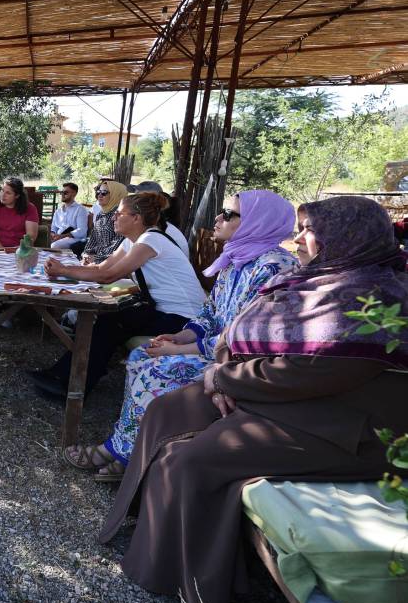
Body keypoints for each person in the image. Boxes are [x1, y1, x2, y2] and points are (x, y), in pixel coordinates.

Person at [97, 196, 408, 603]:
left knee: (190, 461)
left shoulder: (376, 299)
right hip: (289, 396)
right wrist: (223, 366)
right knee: (167, 410)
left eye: (308, 229)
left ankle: (181, 579)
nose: (297, 238)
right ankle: (144, 517)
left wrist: (225, 379)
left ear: (344, 237)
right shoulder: (321, 279)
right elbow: (245, 330)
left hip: (340, 425)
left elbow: (314, 372)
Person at [63, 190, 298, 480]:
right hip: (212, 347)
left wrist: (180, 351)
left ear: (258, 222)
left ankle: (122, 452)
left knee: (158, 369)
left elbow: (249, 337)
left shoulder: (275, 268)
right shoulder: (239, 258)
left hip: (239, 363)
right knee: (141, 354)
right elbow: (211, 311)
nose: (218, 218)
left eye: (229, 214)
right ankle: (130, 447)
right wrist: (182, 337)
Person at [32, 192, 207, 400]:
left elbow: (108, 276)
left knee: (111, 324)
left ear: (136, 218)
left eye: (119, 213)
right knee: (109, 322)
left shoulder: (151, 239)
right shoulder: (132, 241)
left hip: (185, 319)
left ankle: (71, 384)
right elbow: (101, 267)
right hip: (163, 310)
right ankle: (67, 377)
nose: (114, 217)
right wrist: (64, 268)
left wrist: (63, 271)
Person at [80, 180, 128, 263]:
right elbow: (93, 239)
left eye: (104, 193)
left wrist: (96, 258)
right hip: (95, 259)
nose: (99, 195)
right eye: (98, 192)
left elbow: (117, 245)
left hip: (111, 262)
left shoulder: (120, 216)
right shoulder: (100, 214)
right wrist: (86, 254)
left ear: (116, 195)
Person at [0, 177, 38, 249]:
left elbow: (31, 236)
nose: (3, 195)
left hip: (22, 249)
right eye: (2, 191)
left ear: (17, 195)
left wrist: (18, 250)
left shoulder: (30, 208)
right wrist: (2, 250)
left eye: (8, 193)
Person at [48, 182, 88, 249]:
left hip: (75, 239)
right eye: (62, 192)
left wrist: (62, 236)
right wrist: (53, 234)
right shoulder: (58, 211)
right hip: (59, 238)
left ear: (74, 193)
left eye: (65, 193)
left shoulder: (80, 209)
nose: (62, 195)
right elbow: (53, 228)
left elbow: (82, 231)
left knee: (55, 246)